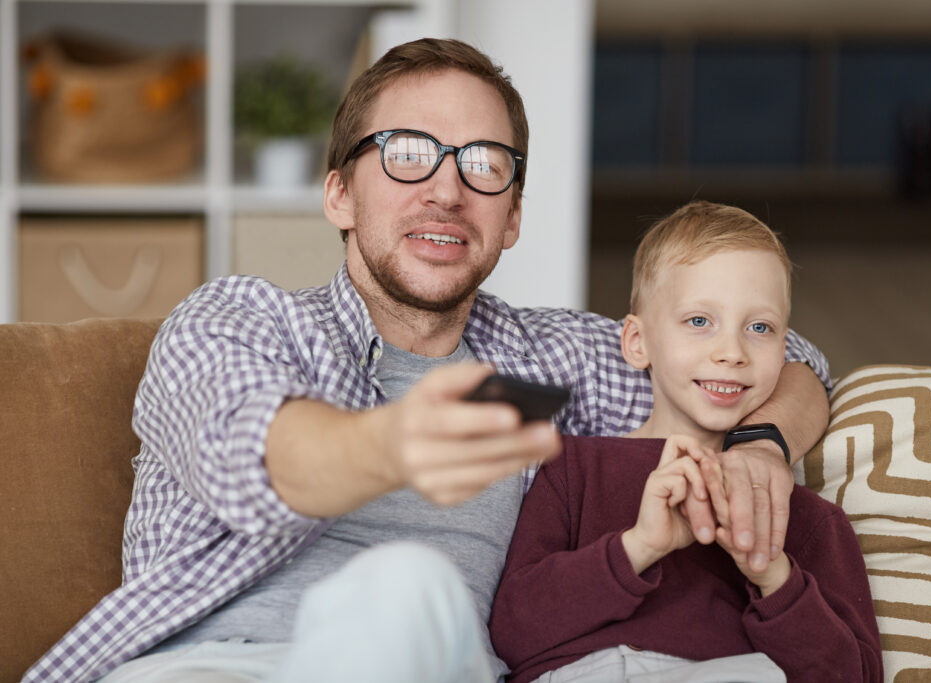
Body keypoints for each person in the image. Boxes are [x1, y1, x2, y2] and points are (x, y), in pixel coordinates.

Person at [22, 40, 831, 683]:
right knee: (404, 581)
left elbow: (790, 358)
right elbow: (253, 450)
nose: (447, 190)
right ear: (339, 193)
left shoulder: (538, 369)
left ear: (511, 215)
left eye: (482, 163)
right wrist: (391, 444)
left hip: (439, 665)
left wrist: (761, 444)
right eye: (409, 152)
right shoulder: (244, 321)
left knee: (416, 596)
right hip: (211, 665)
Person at [489, 200, 882, 683]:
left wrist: (772, 576)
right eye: (699, 321)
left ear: (786, 351)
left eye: (759, 328)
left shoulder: (805, 518)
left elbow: (853, 675)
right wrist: (637, 547)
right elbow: (513, 632)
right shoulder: (570, 468)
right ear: (638, 342)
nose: (731, 353)